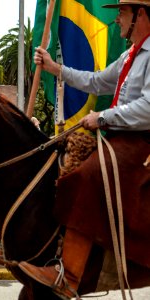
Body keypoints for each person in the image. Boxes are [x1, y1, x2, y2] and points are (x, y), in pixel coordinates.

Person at [19, 1, 150, 299]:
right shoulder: (130, 55)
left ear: (140, 15)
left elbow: (148, 108)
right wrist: (55, 69)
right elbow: (96, 81)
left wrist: (102, 117)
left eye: (122, 12)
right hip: (122, 138)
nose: (116, 18)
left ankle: (70, 275)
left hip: (142, 142)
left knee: (87, 175)